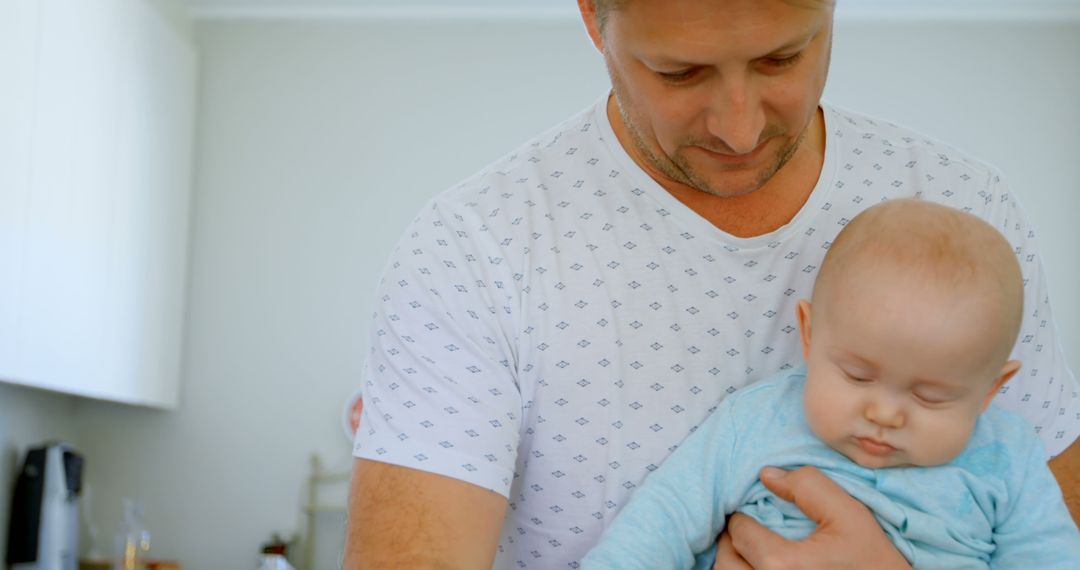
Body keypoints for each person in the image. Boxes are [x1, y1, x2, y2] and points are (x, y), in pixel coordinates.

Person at [344, 1, 1080, 568]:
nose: (739, 128)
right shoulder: (476, 246)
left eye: (782, 58)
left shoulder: (967, 210)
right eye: (680, 72)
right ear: (593, 18)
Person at [581, 200, 1080, 569]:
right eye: (858, 375)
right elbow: (664, 518)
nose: (884, 414)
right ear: (810, 333)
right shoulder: (758, 418)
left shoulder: (1007, 457)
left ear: (990, 389)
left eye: (930, 396)